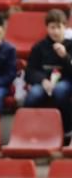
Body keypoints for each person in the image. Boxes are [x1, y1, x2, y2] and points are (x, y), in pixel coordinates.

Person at [23, 8, 72, 144]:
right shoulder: (39, 47)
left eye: (59, 27)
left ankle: (68, 130)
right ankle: (27, 130)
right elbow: (29, 71)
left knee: (60, 90)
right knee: (33, 94)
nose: (55, 31)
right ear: (47, 28)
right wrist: (42, 80)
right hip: (44, 83)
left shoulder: (70, 46)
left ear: (65, 27)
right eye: (52, 27)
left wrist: (65, 57)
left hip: (66, 81)